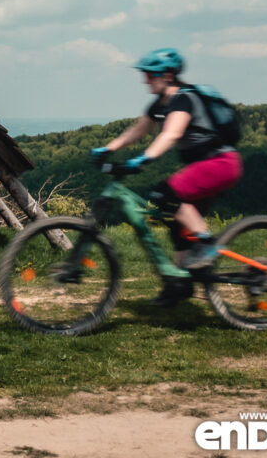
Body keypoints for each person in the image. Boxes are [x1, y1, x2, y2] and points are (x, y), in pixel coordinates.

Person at [90, 48, 243, 306]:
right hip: (205, 166)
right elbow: (138, 130)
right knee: (177, 223)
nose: (145, 80)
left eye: (150, 75)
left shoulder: (184, 99)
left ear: (168, 75)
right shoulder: (159, 103)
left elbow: (171, 134)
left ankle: (207, 247)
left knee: (165, 194)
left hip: (220, 163)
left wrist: (144, 158)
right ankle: (179, 285)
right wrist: (110, 148)